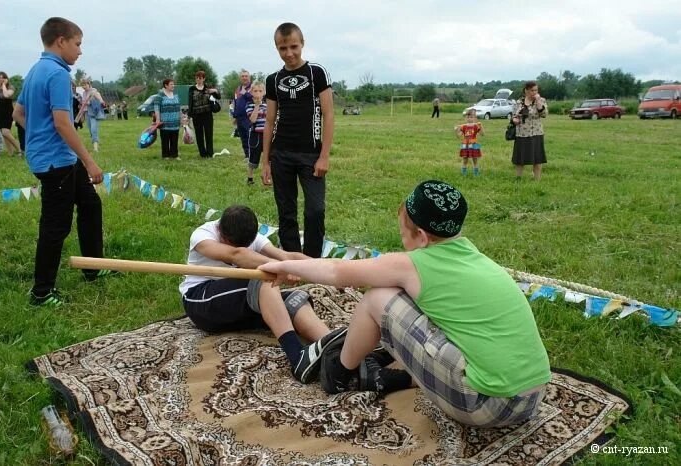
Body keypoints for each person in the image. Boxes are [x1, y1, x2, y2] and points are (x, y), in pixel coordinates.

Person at [260, 180, 551, 428]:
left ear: (422, 237)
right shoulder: (475, 258)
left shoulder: (413, 264)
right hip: (531, 401)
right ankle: (378, 368)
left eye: (403, 234)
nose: (401, 243)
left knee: (377, 298)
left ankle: (338, 372)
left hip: (485, 405)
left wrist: (288, 267)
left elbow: (338, 271)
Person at [180, 204, 347, 383]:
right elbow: (237, 254)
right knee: (264, 278)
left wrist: (331, 274)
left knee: (294, 300)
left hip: (237, 306)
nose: (244, 246)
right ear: (220, 230)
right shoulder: (203, 235)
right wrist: (278, 268)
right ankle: (297, 356)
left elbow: (287, 257)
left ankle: (342, 356)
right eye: (232, 242)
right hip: (202, 302)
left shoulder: (252, 238)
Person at [13, 17, 111, 306]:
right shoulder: (56, 74)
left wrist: (37, 133)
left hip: (60, 159)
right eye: (78, 44)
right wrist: (90, 162)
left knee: (91, 205)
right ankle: (42, 292)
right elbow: (63, 124)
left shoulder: (34, 71)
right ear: (61, 41)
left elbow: (18, 113)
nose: (80, 51)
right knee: (56, 225)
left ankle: (92, 268)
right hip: (57, 162)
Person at [261, 22, 334, 258]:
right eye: (283, 48)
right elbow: (269, 121)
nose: (289, 53)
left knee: (315, 210)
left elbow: (328, 114)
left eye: (293, 46)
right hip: (281, 154)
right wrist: (266, 161)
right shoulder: (273, 79)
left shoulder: (317, 73)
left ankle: (313, 261)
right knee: (286, 211)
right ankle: (292, 260)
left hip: (311, 155)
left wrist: (324, 156)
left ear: (302, 44)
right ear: (276, 48)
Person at [511, 80, 548, 180]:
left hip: (536, 133)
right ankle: (518, 178)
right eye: (532, 90)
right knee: (520, 158)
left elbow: (544, 114)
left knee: (537, 158)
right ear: (526, 91)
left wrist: (538, 101)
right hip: (522, 133)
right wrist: (514, 120)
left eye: (536, 90)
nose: (535, 92)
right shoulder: (519, 102)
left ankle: (537, 179)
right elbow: (514, 116)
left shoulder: (541, 100)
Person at [187, 70, 220, 158]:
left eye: (200, 78)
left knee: (209, 134)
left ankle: (210, 153)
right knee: (199, 135)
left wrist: (215, 91)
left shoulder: (208, 88)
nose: (198, 80)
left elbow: (218, 97)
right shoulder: (192, 89)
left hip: (207, 114)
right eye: (197, 78)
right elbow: (190, 102)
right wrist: (189, 115)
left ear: (204, 79)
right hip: (196, 115)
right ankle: (202, 153)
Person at [0, 72, 23, 156]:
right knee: (4, 134)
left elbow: (6, 95)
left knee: (6, 132)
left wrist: (4, 85)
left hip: (7, 111)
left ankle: (19, 149)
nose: (1, 79)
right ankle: (10, 152)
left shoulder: (10, 87)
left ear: (6, 79)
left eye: (3, 77)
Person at [245, 81, 266, 185]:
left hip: (267, 135)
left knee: (269, 157)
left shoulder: (268, 105)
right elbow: (252, 120)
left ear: (264, 92)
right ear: (251, 92)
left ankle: (267, 177)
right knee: (254, 156)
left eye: (260, 91)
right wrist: (257, 105)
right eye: (255, 91)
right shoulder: (249, 105)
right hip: (256, 135)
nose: (258, 93)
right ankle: (250, 178)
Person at [153, 78, 181, 159]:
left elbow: (179, 107)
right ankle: (165, 155)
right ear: (166, 85)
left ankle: (174, 155)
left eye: (173, 84)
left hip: (175, 122)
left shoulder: (175, 95)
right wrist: (158, 119)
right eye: (171, 84)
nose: (173, 86)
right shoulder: (160, 95)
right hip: (164, 123)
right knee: (165, 140)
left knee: (174, 139)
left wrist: (181, 118)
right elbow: (156, 108)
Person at [77, 78, 105, 152]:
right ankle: (95, 143)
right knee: (90, 130)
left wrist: (99, 101)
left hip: (94, 113)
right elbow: (83, 104)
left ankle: (95, 148)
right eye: (82, 85)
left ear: (89, 84)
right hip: (87, 113)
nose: (84, 86)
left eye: (85, 84)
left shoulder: (93, 91)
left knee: (93, 130)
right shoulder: (83, 93)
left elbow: (100, 99)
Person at [454, 108, 484, 176]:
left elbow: (482, 134)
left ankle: (476, 173)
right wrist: (456, 131)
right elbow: (458, 136)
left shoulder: (476, 126)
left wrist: (481, 126)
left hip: (474, 145)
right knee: (465, 160)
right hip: (465, 145)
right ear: (465, 118)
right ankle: (463, 173)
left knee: (475, 160)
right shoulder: (463, 127)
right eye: (468, 117)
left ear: (474, 118)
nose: (469, 118)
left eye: (471, 117)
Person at [232, 69, 252, 158]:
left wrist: (245, 92)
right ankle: (246, 155)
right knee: (243, 137)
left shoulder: (253, 87)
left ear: (249, 77)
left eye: (246, 76)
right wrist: (235, 116)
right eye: (242, 76)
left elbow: (254, 99)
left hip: (249, 116)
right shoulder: (237, 89)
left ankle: (252, 155)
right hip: (239, 117)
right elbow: (236, 102)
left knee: (249, 136)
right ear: (240, 78)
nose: (244, 78)